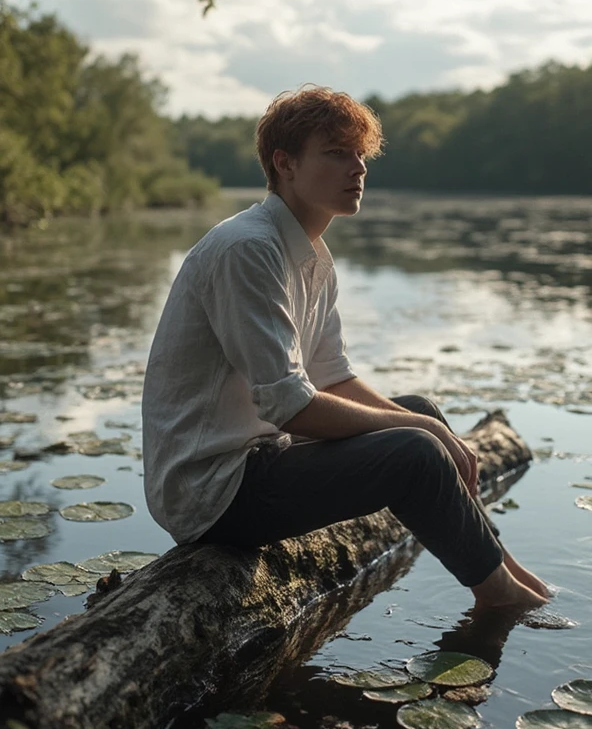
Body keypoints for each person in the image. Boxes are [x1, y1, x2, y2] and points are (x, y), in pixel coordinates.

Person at [142, 86, 549, 609]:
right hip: (214, 491)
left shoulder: (312, 255)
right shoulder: (247, 248)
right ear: (284, 163)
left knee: (420, 412)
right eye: (336, 153)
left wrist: (423, 421)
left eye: (360, 154)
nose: (357, 168)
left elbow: (331, 375)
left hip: (262, 456)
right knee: (416, 447)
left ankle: (507, 568)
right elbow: (288, 405)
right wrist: (422, 433)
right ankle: (503, 600)